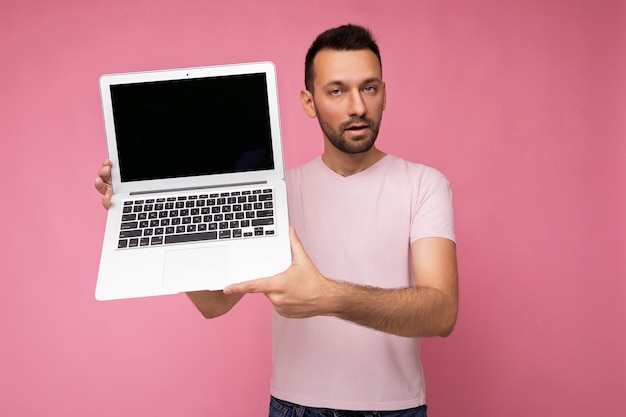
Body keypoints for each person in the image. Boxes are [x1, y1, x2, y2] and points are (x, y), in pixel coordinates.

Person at [95, 24, 458, 417]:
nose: (356, 107)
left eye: (368, 88)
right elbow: (213, 304)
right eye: (336, 90)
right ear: (308, 102)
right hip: (294, 407)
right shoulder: (279, 193)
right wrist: (166, 217)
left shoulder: (424, 184)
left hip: (395, 409)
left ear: (384, 94)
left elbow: (441, 313)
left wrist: (328, 296)